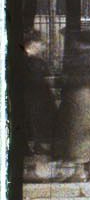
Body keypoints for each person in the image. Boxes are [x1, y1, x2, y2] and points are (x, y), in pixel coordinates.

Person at [54, 28, 90, 183]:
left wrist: (61, 80)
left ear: (80, 43)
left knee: (76, 134)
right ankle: (86, 169)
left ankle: (79, 172)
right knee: (86, 133)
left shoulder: (76, 60)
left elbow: (66, 79)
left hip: (76, 98)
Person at [21, 31, 58, 179]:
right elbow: (41, 83)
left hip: (35, 104)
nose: (44, 46)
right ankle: (33, 172)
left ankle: (32, 170)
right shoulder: (34, 62)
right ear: (33, 43)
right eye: (42, 43)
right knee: (36, 138)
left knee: (34, 139)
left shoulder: (34, 60)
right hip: (35, 105)